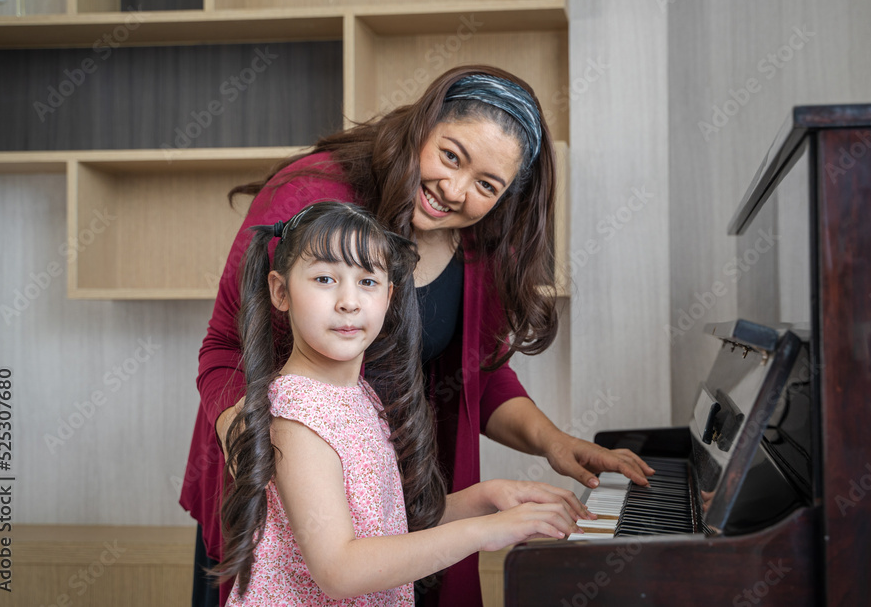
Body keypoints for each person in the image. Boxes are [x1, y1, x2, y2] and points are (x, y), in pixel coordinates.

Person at [180, 65, 654, 607]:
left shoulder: (476, 243)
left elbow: (474, 371)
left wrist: (551, 447)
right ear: (423, 126)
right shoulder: (314, 201)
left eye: (486, 185)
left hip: (391, 518)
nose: (453, 190)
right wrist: (266, 462)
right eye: (451, 156)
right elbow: (224, 349)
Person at [213, 200, 587, 605]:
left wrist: (487, 498)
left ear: (389, 296)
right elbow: (339, 570)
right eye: (324, 279)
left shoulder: (360, 395)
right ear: (280, 291)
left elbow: (381, 524)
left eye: (367, 282)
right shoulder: (298, 418)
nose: (348, 301)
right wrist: (484, 533)